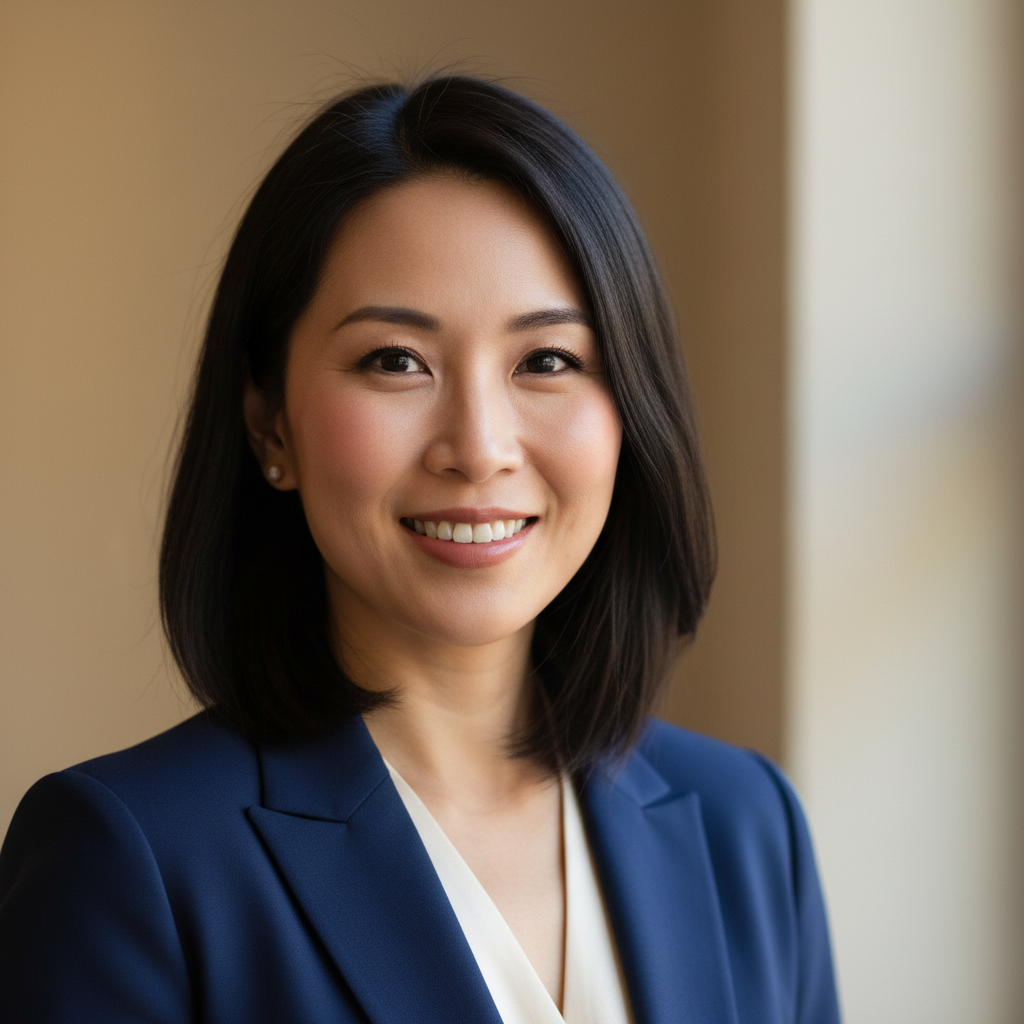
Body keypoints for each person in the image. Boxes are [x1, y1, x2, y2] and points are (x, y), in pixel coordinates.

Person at [0, 75, 840, 1023]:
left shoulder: (747, 824)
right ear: (270, 422)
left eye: (547, 362)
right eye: (395, 361)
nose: (479, 447)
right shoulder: (131, 859)